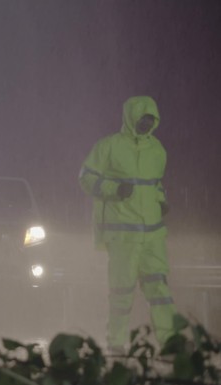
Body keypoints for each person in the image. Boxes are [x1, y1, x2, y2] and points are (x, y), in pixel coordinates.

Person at [79, 96, 176, 352]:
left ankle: (169, 343)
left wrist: (162, 200)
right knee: (122, 293)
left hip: (153, 235)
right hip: (123, 237)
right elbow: (86, 178)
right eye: (143, 118)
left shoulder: (158, 150)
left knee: (160, 291)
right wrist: (114, 188)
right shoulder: (109, 146)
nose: (146, 123)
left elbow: (154, 183)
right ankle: (117, 345)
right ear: (130, 118)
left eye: (151, 119)